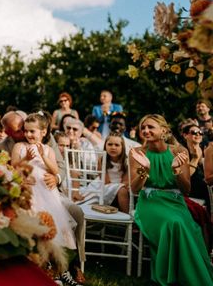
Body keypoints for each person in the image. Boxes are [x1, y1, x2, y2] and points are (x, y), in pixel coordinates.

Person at [129, 114, 213, 285]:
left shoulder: (179, 151)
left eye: (151, 127)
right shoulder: (137, 153)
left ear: (164, 130)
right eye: (143, 127)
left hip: (175, 202)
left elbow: (186, 189)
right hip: (150, 202)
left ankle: (188, 275)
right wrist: (144, 169)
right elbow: (135, 188)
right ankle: (171, 276)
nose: (145, 130)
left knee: (185, 224)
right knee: (172, 223)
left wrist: (176, 171)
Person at [11, 113, 77, 284]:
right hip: (27, 190)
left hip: (46, 192)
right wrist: (27, 158)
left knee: (51, 227)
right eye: (26, 131)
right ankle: (35, 265)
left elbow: (55, 170)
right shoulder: (19, 146)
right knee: (33, 225)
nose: (28, 135)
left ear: (43, 132)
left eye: (32, 131)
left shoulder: (47, 149)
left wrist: (44, 156)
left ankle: (55, 268)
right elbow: (14, 167)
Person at [75, 134, 130, 212]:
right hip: (103, 184)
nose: (113, 147)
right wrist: (118, 188)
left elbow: (125, 181)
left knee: (123, 189)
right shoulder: (102, 159)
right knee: (121, 190)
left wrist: (120, 187)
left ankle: (126, 216)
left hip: (120, 185)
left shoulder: (126, 162)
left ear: (122, 147)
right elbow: (105, 181)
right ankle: (126, 215)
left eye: (117, 145)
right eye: (110, 144)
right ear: (105, 146)